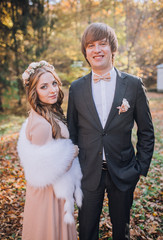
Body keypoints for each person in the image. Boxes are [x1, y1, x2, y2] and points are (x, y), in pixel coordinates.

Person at [67, 23, 154, 240]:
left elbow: (146, 131)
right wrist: (74, 170)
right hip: (88, 173)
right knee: (86, 231)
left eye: (102, 44)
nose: (97, 50)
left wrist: (139, 168)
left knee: (121, 233)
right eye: (91, 46)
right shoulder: (76, 89)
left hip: (124, 171)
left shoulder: (133, 85)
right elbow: (72, 132)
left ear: (112, 48)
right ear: (85, 52)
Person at [17, 60, 83, 240]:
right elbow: (45, 169)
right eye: (44, 87)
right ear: (34, 92)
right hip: (47, 197)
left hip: (53, 191)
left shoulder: (47, 112)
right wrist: (72, 152)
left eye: (54, 83)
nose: (52, 90)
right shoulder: (41, 125)